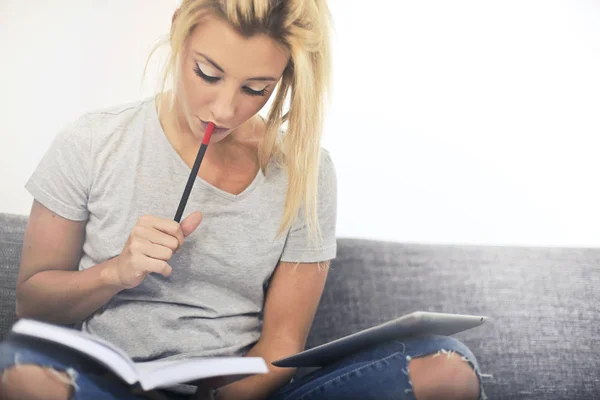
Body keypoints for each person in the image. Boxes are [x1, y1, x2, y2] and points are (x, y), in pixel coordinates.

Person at [0, 1, 486, 399]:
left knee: (444, 367)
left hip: (239, 395)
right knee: (21, 374)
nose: (225, 108)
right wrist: (115, 271)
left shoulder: (307, 173)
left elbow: (281, 342)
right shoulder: (93, 140)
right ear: (178, 34)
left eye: (257, 89)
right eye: (207, 73)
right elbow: (32, 303)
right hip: (107, 388)